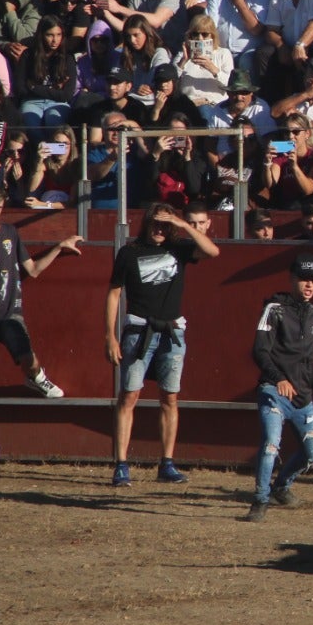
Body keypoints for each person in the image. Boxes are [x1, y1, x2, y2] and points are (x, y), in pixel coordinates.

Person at [0, 185, 81, 471]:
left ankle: (36, 377)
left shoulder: (11, 233)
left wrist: (58, 247)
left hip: (10, 314)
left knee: (29, 359)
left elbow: (31, 270)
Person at [104, 202, 220, 487]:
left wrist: (182, 225)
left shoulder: (178, 248)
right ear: (145, 223)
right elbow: (114, 294)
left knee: (170, 397)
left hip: (172, 332)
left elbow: (212, 251)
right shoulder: (129, 253)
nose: (159, 230)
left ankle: (166, 462)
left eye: (164, 225)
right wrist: (110, 334)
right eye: (155, 223)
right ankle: (121, 464)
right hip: (138, 330)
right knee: (129, 397)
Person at [243, 253, 313, 521]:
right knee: (270, 445)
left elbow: (308, 361)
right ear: (291, 279)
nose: (309, 285)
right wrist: (279, 379)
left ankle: (280, 488)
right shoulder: (274, 309)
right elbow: (260, 352)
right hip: (273, 392)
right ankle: (260, 500)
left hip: (302, 396)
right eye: (304, 279)